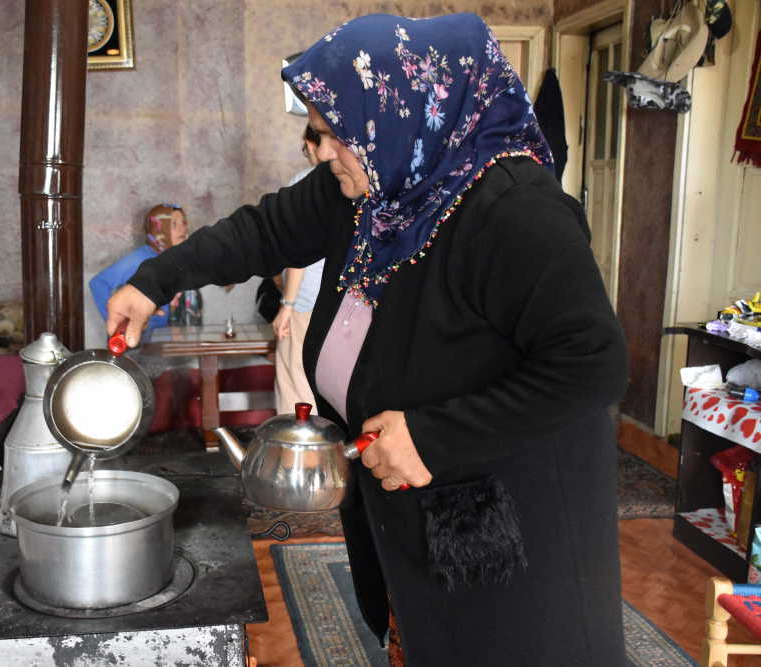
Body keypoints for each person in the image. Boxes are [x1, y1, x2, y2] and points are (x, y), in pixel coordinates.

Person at [107, 13, 628, 666]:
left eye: (333, 135)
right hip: (413, 525)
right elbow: (262, 231)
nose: (319, 151)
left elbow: (596, 364)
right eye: (315, 133)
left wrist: (433, 436)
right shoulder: (370, 191)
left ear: (401, 111)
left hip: (509, 546)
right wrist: (154, 281)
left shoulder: (514, 212)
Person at [273, 125, 325, 414]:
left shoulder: (305, 182)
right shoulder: (355, 180)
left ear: (309, 142)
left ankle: (298, 455)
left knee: (294, 380)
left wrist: (287, 305)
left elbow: (299, 251)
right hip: (344, 301)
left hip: (305, 302)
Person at [89, 204, 199, 337]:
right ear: (158, 229)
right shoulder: (141, 258)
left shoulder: (181, 259)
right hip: (143, 346)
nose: (182, 228)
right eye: (173, 224)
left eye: (183, 222)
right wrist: (120, 324)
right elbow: (98, 283)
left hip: (174, 345)